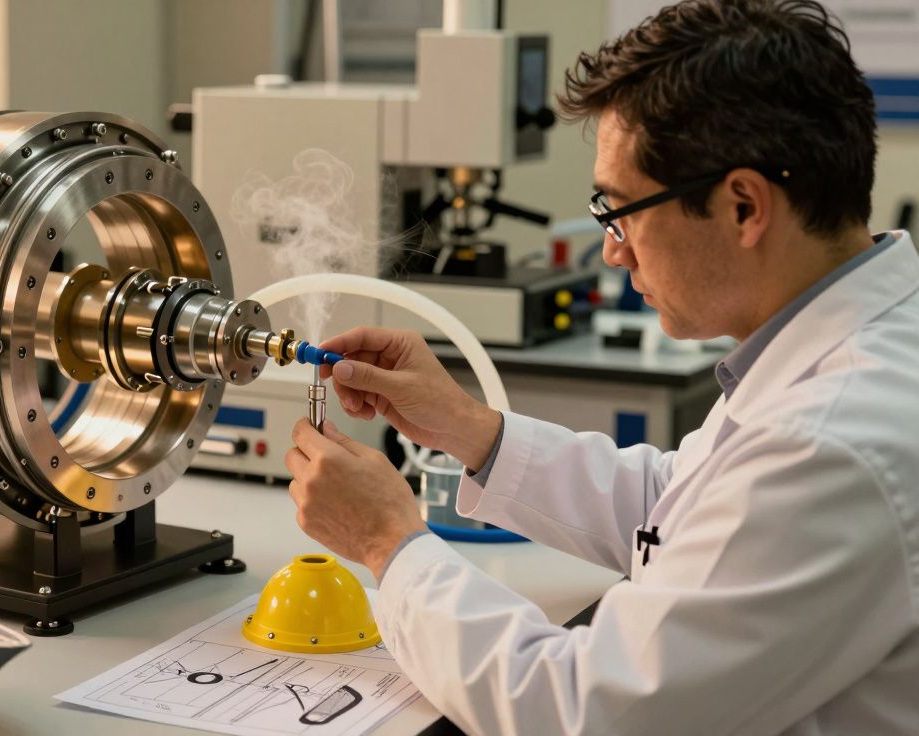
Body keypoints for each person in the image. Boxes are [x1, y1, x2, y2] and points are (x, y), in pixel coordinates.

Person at [283, 1, 919, 733]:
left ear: (744, 206)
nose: (613, 250)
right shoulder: (836, 349)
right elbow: (678, 506)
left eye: (621, 210)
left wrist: (387, 543)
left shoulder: (831, 441)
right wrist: (471, 431)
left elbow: (585, 709)